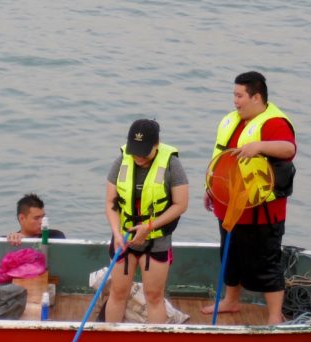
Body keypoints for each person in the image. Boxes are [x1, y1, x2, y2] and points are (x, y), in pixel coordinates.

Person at [201, 71, 297, 325]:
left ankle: (275, 315)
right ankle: (231, 301)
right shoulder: (233, 121)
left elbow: (289, 149)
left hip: (261, 212)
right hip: (230, 207)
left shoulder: (273, 123)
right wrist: (211, 189)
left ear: (256, 97)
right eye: (234, 95)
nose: (235, 101)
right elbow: (221, 160)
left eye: (239, 95)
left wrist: (259, 146)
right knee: (230, 257)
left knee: (266, 263)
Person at [103, 119, 189, 323]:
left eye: (144, 151)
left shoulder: (172, 164)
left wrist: (149, 227)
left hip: (156, 240)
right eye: (135, 150)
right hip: (124, 238)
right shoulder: (121, 161)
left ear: (156, 145)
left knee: (154, 296)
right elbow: (110, 203)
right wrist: (116, 233)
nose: (138, 156)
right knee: (117, 292)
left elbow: (181, 204)